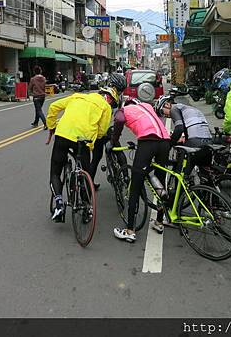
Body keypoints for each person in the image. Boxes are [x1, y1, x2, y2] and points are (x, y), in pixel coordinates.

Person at [45, 85, 120, 222]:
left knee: (55, 172)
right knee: (86, 175)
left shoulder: (77, 96)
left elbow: (53, 107)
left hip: (63, 135)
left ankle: (59, 203)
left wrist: (52, 127)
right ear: (110, 100)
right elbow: (102, 131)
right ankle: (86, 207)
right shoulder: (106, 107)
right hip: (83, 140)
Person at [111, 98, 170, 242]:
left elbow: (119, 120)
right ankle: (159, 222)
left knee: (135, 186)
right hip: (165, 142)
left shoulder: (124, 110)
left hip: (148, 142)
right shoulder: (147, 106)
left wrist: (114, 140)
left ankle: (130, 230)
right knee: (160, 182)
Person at [155, 95, 213, 178]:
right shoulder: (191, 109)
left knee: (180, 174)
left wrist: (170, 144)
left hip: (195, 142)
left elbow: (179, 128)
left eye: (162, 112)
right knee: (205, 175)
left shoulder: (174, 108)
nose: (164, 115)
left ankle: (179, 189)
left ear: (167, 104)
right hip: (209, 142)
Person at [88, 73, 128, 190]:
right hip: (110, 129)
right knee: (118, 151)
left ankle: (89, 186)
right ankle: (126, 177)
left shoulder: (101, 94)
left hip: (100, 130)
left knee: (96, 158)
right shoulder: (118, 97)